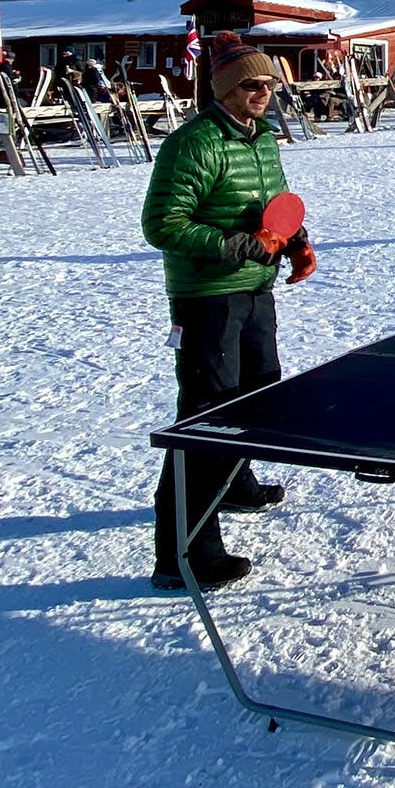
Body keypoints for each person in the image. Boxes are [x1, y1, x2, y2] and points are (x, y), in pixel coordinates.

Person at [140, 33, 317, 593]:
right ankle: (184, 554)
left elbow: (272, 210)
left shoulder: (262, 139)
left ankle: (235, 484)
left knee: (257, 394)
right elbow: (163, 225)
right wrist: (242, 246)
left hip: (256, 288)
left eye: (268, 84)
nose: (262, 93)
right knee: (208, 416)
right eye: (250, 85)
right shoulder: (194, 144)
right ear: (223, 89)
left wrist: (295, 241)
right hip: (207, 297)